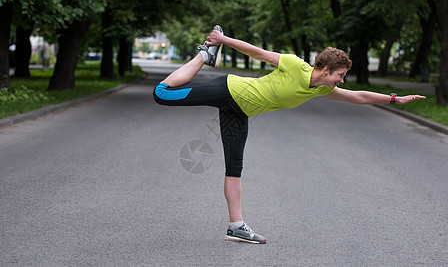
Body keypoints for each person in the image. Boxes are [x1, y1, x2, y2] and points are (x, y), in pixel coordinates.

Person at [153, 25, 426, 244]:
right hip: (230, 90)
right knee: (162, 94)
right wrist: (224, 39)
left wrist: (394, 99)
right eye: (340, 75)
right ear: (326, 69)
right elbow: (258, 53)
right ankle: (204, 56)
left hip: (239, 112)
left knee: (234, 168)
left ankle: (236, 226)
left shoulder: (321, 88)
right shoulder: (296, 65)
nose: (341, 81)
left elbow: (357, 96)